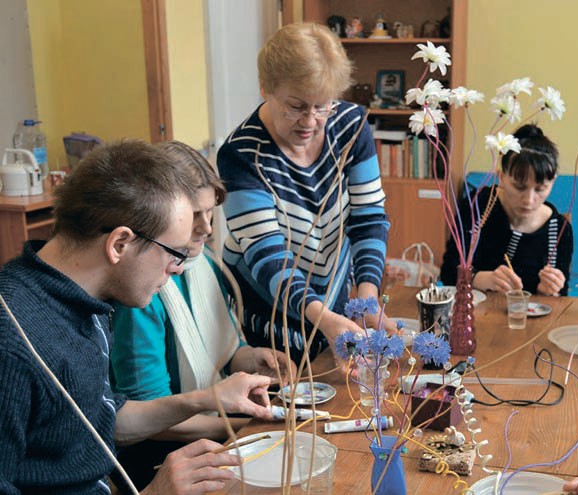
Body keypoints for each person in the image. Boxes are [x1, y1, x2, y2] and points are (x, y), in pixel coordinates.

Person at [0, 140, 274, 494]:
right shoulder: (12, 343)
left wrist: (208, 399)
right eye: (174, 253)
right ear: (119, 244)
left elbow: (103, 420)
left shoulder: (85, 300)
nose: (178, 269)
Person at [109, 141, 296, 489]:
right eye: (195, 215)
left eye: (211, 212)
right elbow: (151, 417)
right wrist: (247, 425)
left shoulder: (204, 263)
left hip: (211, 426)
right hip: (162, 457)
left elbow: (226, 350)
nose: (207, 228)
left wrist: (252, 358)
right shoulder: (141, 292)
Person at [217, 22, 391, 367]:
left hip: (333, 302)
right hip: (269, 316)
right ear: (265, 87)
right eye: (296, 106)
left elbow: (368, 218)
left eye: (323, 105)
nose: (310, 121)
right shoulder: (241, 156)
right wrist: (322, 317)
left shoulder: (351, 126)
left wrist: (366, 302)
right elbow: (269, 257)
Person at [440, 123, 573, 296]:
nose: (529, 200)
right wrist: (480, 279)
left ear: (553, 181)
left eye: (540, 189)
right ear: (501, 177)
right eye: (519, 187)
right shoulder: (478, 207)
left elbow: (561, 294)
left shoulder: (559, 230)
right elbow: (448, 272)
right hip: (478, 309)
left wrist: (548, 291)